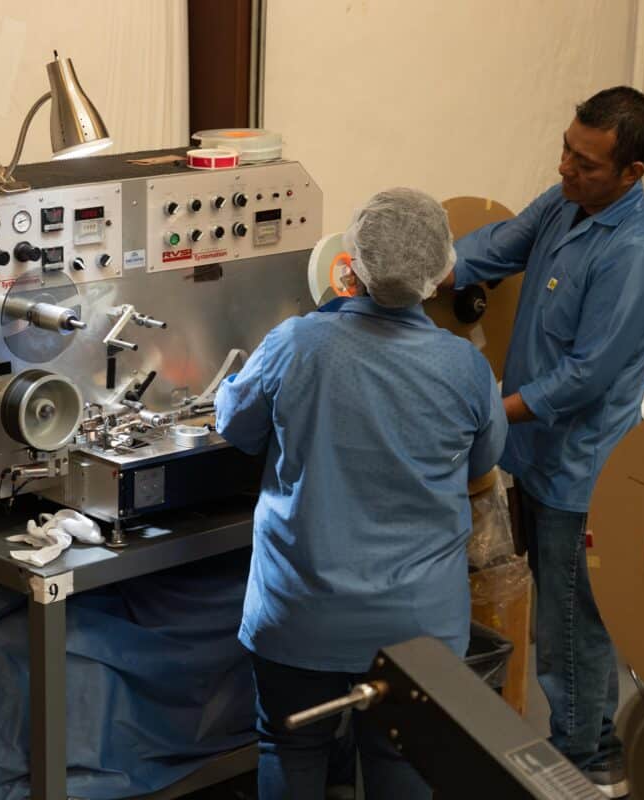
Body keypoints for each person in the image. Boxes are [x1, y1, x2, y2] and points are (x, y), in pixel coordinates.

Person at [215, 188, 507, 799]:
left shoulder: (296, 344)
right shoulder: (466, 369)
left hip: (300, 615)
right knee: (403, 758)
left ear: (348, 264)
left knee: (289, 746)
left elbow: (235, 427)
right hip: (418, 628)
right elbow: (483, 460)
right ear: (443, 273)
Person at [447, 86, 644, 797]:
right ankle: (588, 744)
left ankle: (586, 765)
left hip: (583, 471)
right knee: (560, 616)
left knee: (573, 628)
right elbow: (496, 246)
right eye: (566, 152)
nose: (565, 169)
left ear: (632, 173)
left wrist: (485, 410)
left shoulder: (638, 254)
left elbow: (581, 379)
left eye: (586, 164)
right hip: (536, 456)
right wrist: (405, 273)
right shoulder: (568, 202)